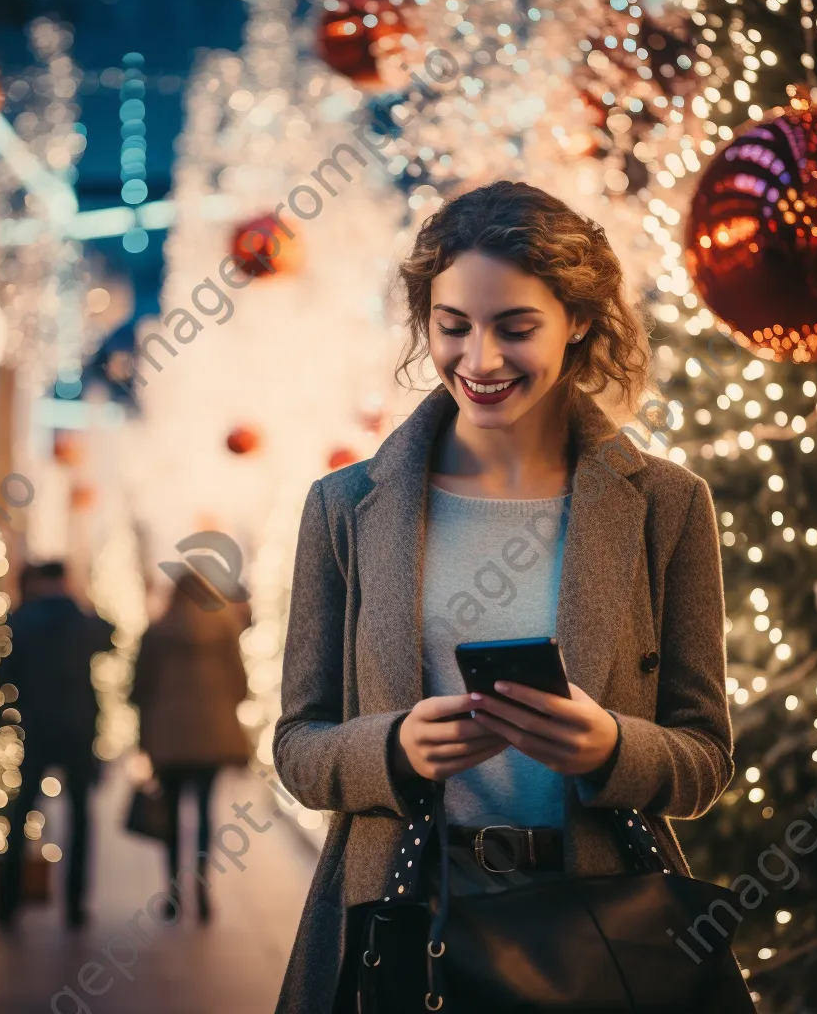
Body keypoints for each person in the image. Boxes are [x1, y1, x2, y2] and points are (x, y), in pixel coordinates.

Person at [272, 181, 735, 1014]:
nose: (478, 361)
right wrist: (392, 750)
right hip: (401, 922)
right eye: (452, 328)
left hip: (599, 935)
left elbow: (704, 761)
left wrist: (609, 749)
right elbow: (298, 746)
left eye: (516, 328)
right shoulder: (343, 508)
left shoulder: (667, 505)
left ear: (581, 321)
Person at [0, 561, 114, 928]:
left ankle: (8, 902)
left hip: (38, 727)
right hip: (79, 728)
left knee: (22, 811)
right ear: (64, 580)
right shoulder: (81, 619)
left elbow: (6, 678)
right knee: (80, 815)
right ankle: (75, 905)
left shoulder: (21, 620)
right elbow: (110, 638)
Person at [130, 572, 252, 923]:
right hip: (211, 736)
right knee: (203, 811)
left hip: (167, 737)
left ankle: (172, 891)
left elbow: (140, 690)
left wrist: (144, 741)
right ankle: (202, 887)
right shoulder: (224, 629)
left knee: (168, 811)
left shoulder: (156, 631)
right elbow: (240, 685)